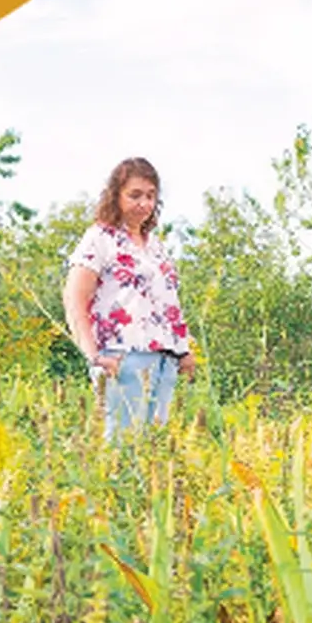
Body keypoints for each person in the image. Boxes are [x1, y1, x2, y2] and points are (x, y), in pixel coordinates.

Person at [63, 156, 195, 437]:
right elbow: (74, 300)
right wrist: (93, 356)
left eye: (150, 196)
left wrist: (183, 350)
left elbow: (168, 303)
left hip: (166, 359)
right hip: (123, 357)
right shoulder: (100, 238)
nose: (144, 203)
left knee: (157, 448)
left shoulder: (155, 246)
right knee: (123, 447)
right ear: (116, 196)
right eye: (135, 195)